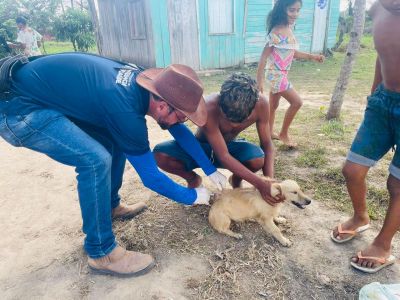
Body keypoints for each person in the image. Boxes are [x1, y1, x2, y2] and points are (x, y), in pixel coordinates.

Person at [0, 53, 227, 277]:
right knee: (95, 160)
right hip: (18, 108)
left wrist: (209, 168)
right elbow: (151, 178)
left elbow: (178, 130)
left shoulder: (146, 83)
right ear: (162, 107)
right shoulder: (125, 109)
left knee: (115, 141)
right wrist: (193, 197)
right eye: (181, 117)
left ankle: (109, 206)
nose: (181, 123)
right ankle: (101, 253)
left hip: (34, 92)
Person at [330, 0, 400, 273]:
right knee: (352, 170)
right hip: (382, 104)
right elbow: (383, 56)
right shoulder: (376, 9)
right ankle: (360, 217)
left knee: (397, 185)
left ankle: (384, 244)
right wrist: (374, 95)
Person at [154, 72, 283, 206]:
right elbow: (224, 156)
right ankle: (193, 179)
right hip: (201, 149)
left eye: (240, 120)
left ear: (253, 105)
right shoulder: (209, 106)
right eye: (227, 117)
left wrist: (269, 182)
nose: (233, 125)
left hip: (228, 147)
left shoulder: (262, 105)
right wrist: (259, 183)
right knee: (161, 155)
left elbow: (267, 144)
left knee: (257, 159)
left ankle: (236, 181)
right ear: (220, 101)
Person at [256, 0, 324, 148]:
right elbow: (263, 57)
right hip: (276, 74)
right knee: (297, 102)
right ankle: (283, 134)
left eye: (298, 10)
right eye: (292, 10)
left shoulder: (288, 28)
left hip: (281, 74)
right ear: (282, 9)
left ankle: (268, 134)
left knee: (273, 105)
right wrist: (259, 81)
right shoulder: (276, 32)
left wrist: (312, 57)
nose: (295, 14)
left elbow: (292, 53)